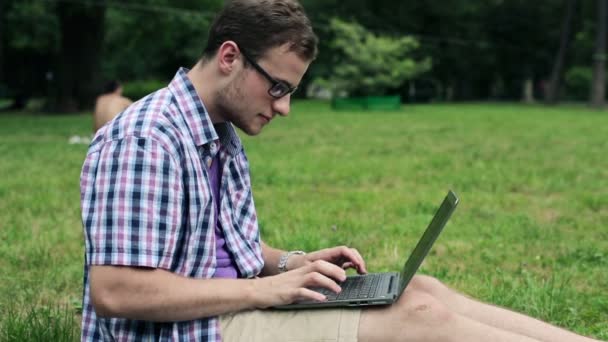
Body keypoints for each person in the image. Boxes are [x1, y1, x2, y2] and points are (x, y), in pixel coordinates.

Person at [79, 1, 603, 341]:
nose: (283, 108)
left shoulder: (217, 131)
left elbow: (213, 248)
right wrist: (262, 292)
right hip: (185, 332)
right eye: (277, 87)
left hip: (222, 312)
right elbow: (119, 290)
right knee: (419, 322)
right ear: (230, 57)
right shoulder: (146, 139)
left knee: (424, 291)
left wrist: (293, 264)